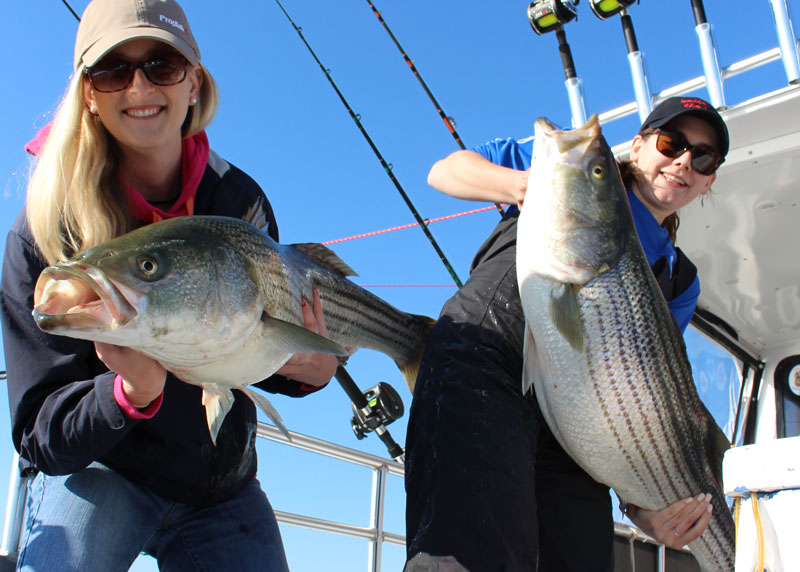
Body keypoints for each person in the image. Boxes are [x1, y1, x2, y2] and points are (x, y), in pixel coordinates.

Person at [0, 1, 338, 570]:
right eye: (113, 71)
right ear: (88, 93)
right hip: (100, 472)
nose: (139, 87)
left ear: (193, 83)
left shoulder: (240, 204)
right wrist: (125, 395)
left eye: (162, 65)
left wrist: (313, 373)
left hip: (218, 483)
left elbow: (251, 344)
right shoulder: (41, 230)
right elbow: (40, 431)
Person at [404, 96, 730, 572]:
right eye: (671, 142)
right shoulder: (571, 172)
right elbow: (445, 171)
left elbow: (651, 399)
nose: (683, 161)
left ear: (709, 181)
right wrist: (524, 186)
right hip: (486, 362)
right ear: (637, 147)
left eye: (702, 157)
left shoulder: (680, 281)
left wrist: (646, 508)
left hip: (577, 434)